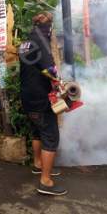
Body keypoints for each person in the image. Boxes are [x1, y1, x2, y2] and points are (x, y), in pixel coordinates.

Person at [19, 12, 67, 196]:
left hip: (27, 96)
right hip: (40, 98)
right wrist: (59, 81)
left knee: (37, 131)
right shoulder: (41, 42)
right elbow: (49, 69)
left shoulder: (25, 43)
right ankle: (45, 182)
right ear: (49, 28)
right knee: (51, 135)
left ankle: (38, 164)